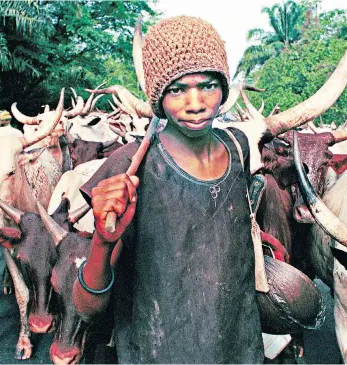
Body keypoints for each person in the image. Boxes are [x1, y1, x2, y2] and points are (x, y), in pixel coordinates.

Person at [73, 15, 264, 363]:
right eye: (177, 89)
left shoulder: (239, 147)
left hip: (240, 351)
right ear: (159, 97)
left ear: (224, 86)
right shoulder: (128, 168)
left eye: (208, 85)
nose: (195, 103)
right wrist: (103, 239)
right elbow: (86, 306)